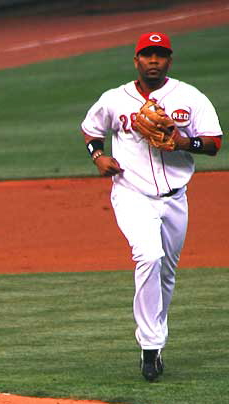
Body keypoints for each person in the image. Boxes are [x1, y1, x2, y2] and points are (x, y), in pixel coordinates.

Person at [81, 32, 222, 381]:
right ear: (136, 61)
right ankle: (149, 346)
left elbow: (214, 143)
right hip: (131, 194)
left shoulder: (190, 97)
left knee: (167, 274)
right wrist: (98, 156)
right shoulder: (115, 99)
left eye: (160, 55)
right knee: (148, 256)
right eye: (147, 55)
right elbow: (90, 130)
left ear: (169, 61)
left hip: (175, 198)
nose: (154, 61)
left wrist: (184, 142)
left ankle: (156, 343)